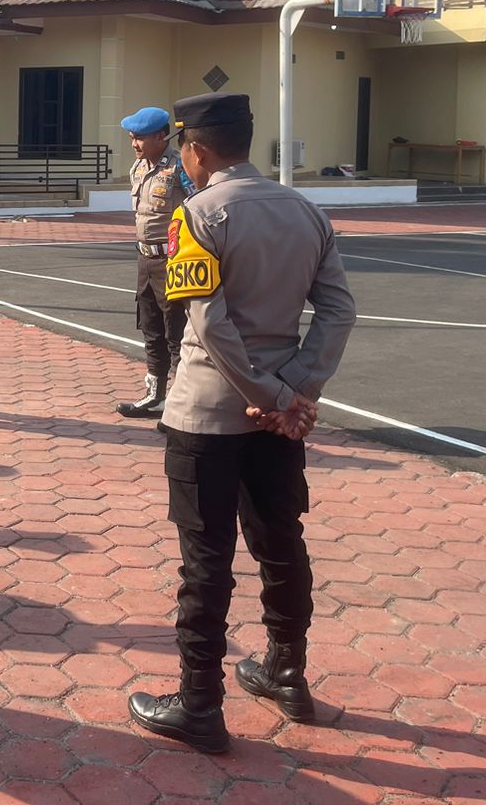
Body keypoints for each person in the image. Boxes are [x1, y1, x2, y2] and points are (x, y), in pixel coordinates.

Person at [127, 92, 356, 755]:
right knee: (281, 543)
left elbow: (207, 322)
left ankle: (199, 703)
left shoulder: (196, 214)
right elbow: (339, 311)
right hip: (277, 424)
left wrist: (268, 393)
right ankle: (287, 672)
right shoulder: (307, 211)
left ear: (195, 149)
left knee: (206, 560)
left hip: (208, 414)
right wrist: (294, 391)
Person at [117, 105, 195, 418]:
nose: (134, 144)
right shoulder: (138, 168)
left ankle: (181, 403)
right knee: (150, 329)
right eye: (132, 138)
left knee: (176, 332)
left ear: (161, 137)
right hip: (145, 260)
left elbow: (197, 205)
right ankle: (155, 396)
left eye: (139, 138)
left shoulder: (179, 167)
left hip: (171, 261)